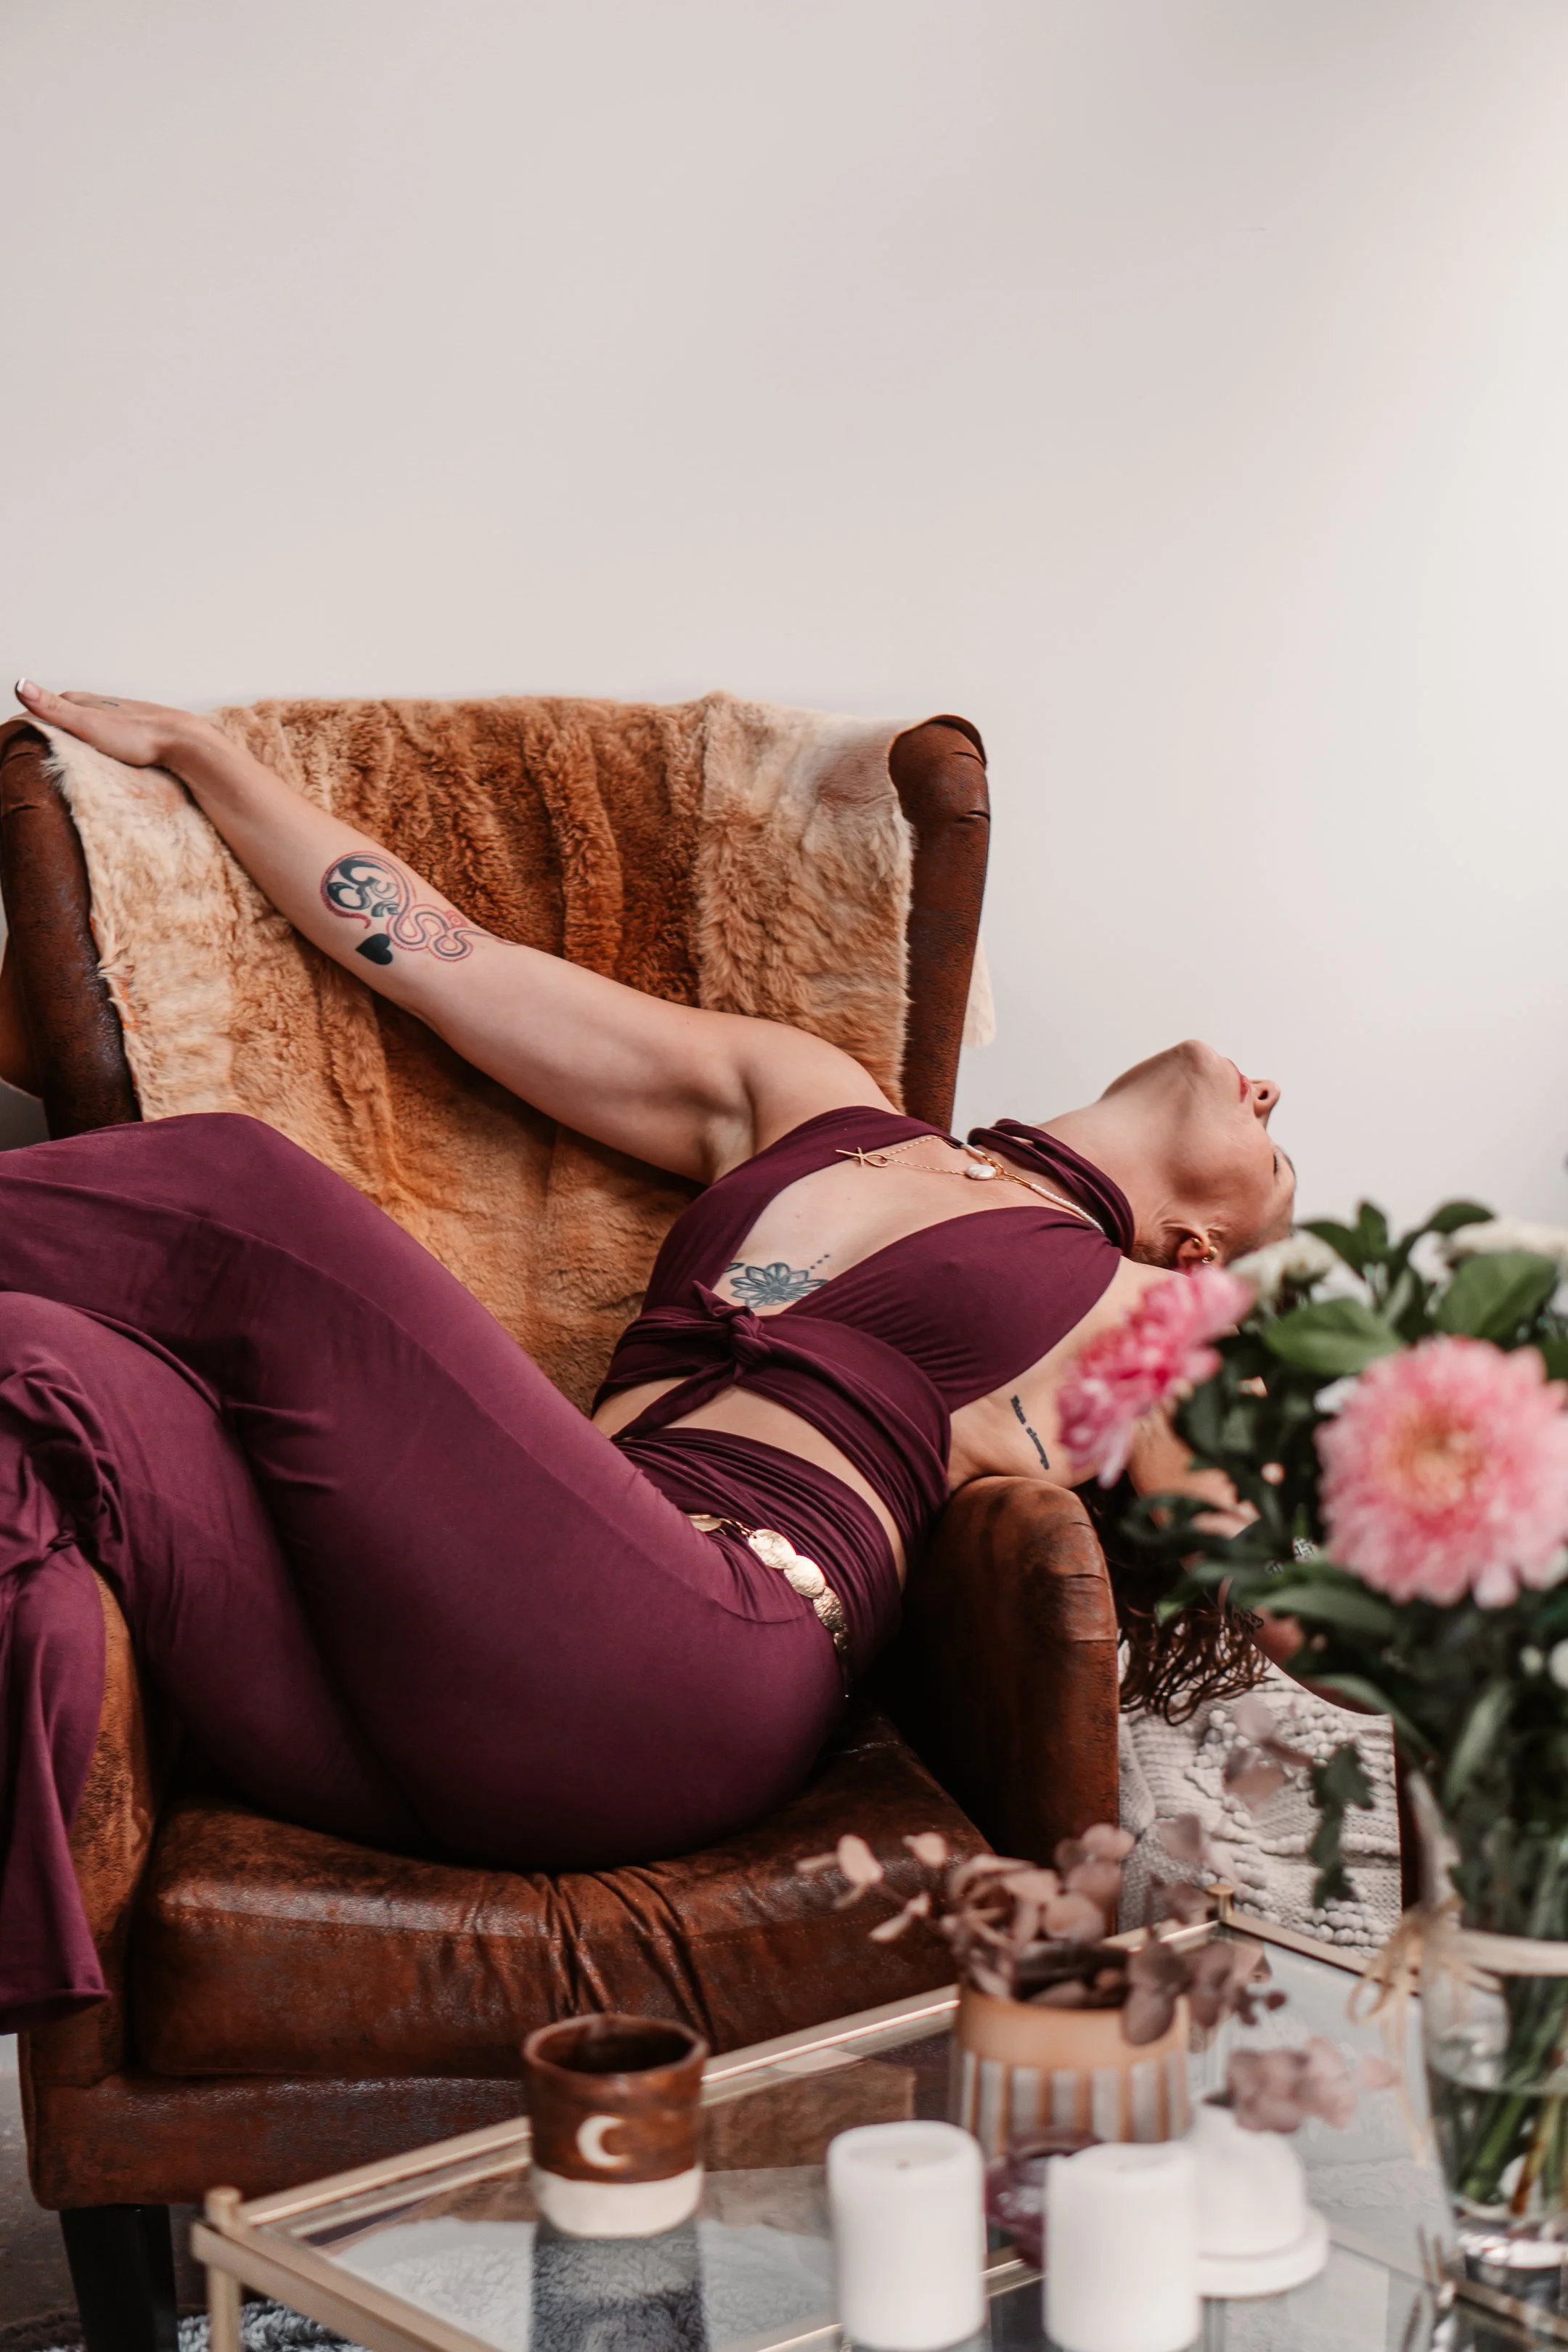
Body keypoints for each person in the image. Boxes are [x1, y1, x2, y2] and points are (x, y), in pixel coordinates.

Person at [0, 680, 1294, 2030]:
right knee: (33, 1366)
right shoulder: (813, 1099)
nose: (1269, 1092)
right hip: (429, 1704)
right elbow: (443, 959)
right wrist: (203, 756)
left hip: (693, 1666)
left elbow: (1309, 1596)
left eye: (1276, 1152)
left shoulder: (1165, 1332)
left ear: (1200, 1246)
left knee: (240, 1184)